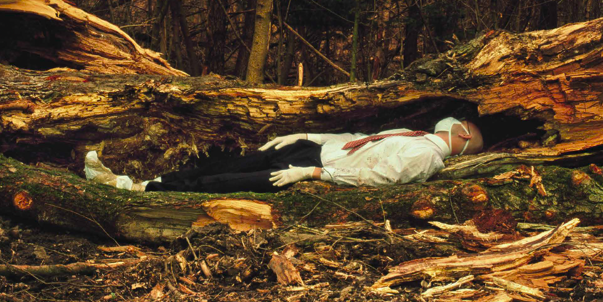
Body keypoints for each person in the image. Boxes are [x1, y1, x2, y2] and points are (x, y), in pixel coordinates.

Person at [83, 117, 484, 193]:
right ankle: (135, 180)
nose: (450, 119)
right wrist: (306, 134)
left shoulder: (427, 157)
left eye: (458, 120)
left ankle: (139, 189)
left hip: (316, 167)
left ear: (461, 134)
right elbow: (360, 136)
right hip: (315, 149)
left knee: (224, 184)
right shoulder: (415, 135)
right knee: (227, 163)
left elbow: (377, 179)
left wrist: (311, 175)